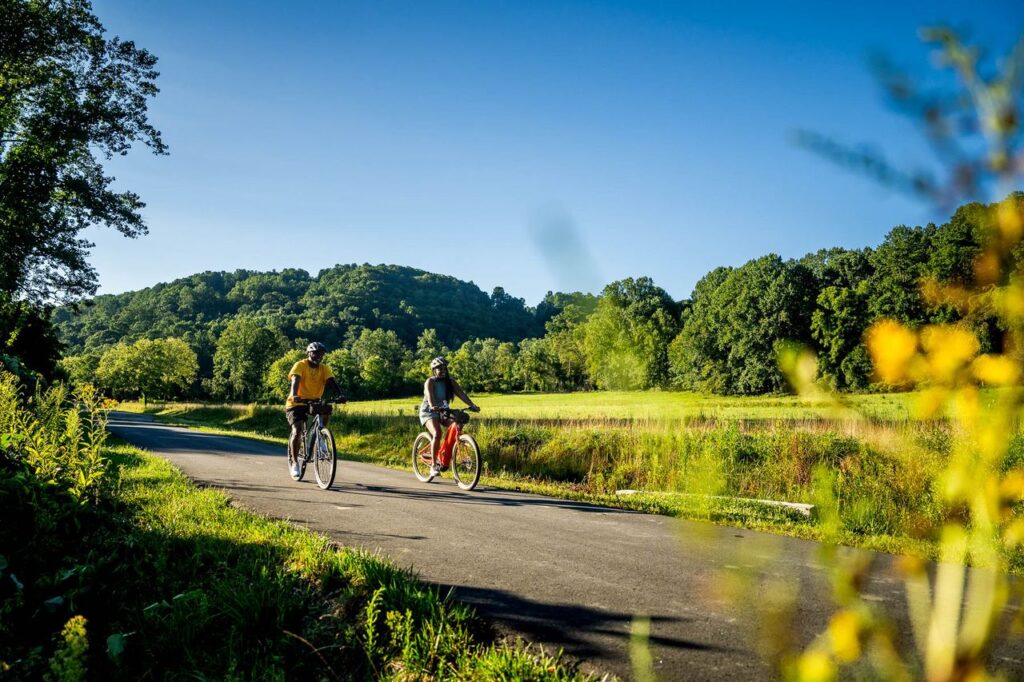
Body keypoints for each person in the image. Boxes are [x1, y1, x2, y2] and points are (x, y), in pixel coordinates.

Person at [286, 341, 346, 478]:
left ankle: (321, 437)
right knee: (298, 430)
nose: (318, 356)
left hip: (314, 401)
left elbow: (331, 382)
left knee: (325, 409)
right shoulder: (300, 365)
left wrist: (340, 395)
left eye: (321, 354)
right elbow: (296, 380)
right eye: (315, 353)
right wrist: (295, 395)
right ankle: (295, 462)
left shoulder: (324, 368)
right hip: (296, 402)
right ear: (309, 353)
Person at [420, 356, 479, 474]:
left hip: (443, 410)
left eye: (444, 369)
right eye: (439, 369)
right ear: (434, 370)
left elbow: (461, 394)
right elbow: (429, 394)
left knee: (457, 425)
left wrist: (472, 405)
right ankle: (433, 465)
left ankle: (444, 454)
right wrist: (432, 405)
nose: (443, 371)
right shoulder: (430, 381)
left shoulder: (450, 382)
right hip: (429, 411)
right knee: (437, 433)